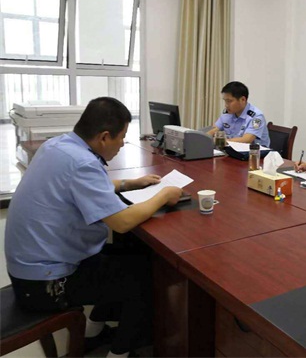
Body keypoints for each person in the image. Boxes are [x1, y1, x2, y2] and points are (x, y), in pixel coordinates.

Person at [5, 97, 183, 358]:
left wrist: (129, 184)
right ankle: (120, 353)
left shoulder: (58, 146)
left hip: (29, 269)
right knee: (144, 278)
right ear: (104, 137)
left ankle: (93, 331)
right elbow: (122, 222)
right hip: (46, 285)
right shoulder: (83, 163)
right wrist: (164, 195)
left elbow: (78, 185)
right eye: (122, 137)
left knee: (127, 256)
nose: (122, 144)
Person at [207, 81, 270, 146]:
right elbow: (213, 130)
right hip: (231, 149)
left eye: (229, 101)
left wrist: (221, 142)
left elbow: (247, 139)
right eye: (225, 101)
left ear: (243, 100)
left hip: (254, 151)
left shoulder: (257, 117)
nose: (226, 105)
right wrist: (204, 138)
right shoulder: (227, 113)